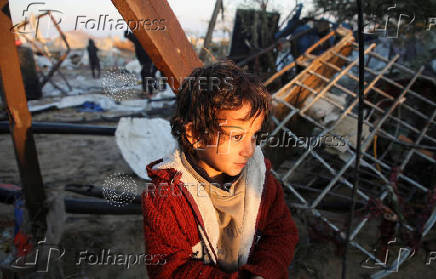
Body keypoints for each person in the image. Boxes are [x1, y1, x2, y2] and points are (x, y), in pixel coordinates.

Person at [142, 61, 299, 278]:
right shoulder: (166, 197)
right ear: (195, 135)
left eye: (254, 136)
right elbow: (170, 269)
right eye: (236, 136)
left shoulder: (260, 181)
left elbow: (282, 232)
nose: (249, 150)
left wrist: (263, 273)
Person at [124, 30, 158, 98]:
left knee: (148, 75)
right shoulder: (137, 40)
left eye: (128, 38)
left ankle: (150, 92)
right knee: (144, 74)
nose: (128, 40)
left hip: (147, 60)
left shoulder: (137, 39)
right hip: (145, 61)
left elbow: (143, 52)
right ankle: (145, 90)